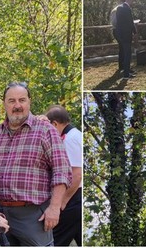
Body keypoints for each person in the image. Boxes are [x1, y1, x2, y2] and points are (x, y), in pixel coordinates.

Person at [0, 82, 72, 246]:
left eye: (22, 100)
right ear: (4, 104)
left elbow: (62, 170)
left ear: (29, 102)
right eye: (11, 101)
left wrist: (54, 208)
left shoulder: (45, 130)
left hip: (32, 215)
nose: (17, 105)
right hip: (0, 215)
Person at [45, 105, 82, 247]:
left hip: (72, 198)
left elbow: (76, 175)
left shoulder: (69, 139)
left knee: (55, 241)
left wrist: (61, 203)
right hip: (75, 199)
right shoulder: (74, 135)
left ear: (55, 124)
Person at [116, 0, 137, 80]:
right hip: (126, 34)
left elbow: (119, 22)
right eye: (132, 0)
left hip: (120, 33)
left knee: (124, 53)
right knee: (127, 54)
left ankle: (126, 71)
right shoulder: (127, 9)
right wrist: (135, 32)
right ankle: (126, 74)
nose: (132, 2)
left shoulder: (119, 8)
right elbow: (130, 22)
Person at [110, 0, 126, 71]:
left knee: (123, 48)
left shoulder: (121, 10)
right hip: (118, 31)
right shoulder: (116, 10)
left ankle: (123, 64)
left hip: (121, 31)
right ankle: (121, 65)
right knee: (122, 48)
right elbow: (114, 22)